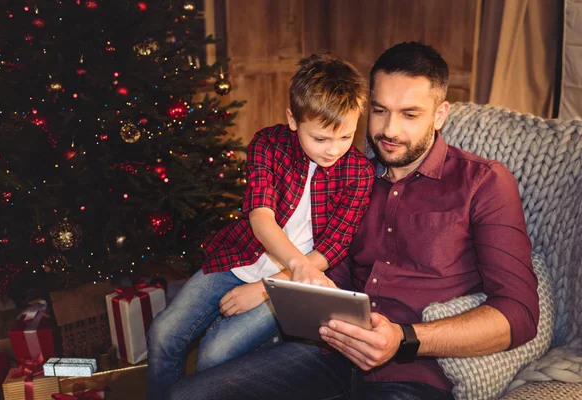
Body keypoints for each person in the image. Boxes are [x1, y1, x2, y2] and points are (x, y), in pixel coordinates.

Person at [163, 42, 540, 400]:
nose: (390, 131)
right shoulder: (353, 176)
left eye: (410, 114)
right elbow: (328, 270)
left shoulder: (483, 181)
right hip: (327, 355)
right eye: (380, 110)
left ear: (439, 114)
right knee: (187, 394)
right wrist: (277, 291)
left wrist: (404, 338)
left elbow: (519, 314)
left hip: (412, 374)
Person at [147, 53, 375, 399]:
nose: (334, 151)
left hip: (291, 284)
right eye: (321, 139)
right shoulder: (268, 144)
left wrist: (268, 287)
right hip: (239, 257)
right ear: (293, 120)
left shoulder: (359, 171)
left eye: (346, 137)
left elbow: (332, 249)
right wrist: (294, 264)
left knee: (216, 353)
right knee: (164, 333)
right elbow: (260, 217)